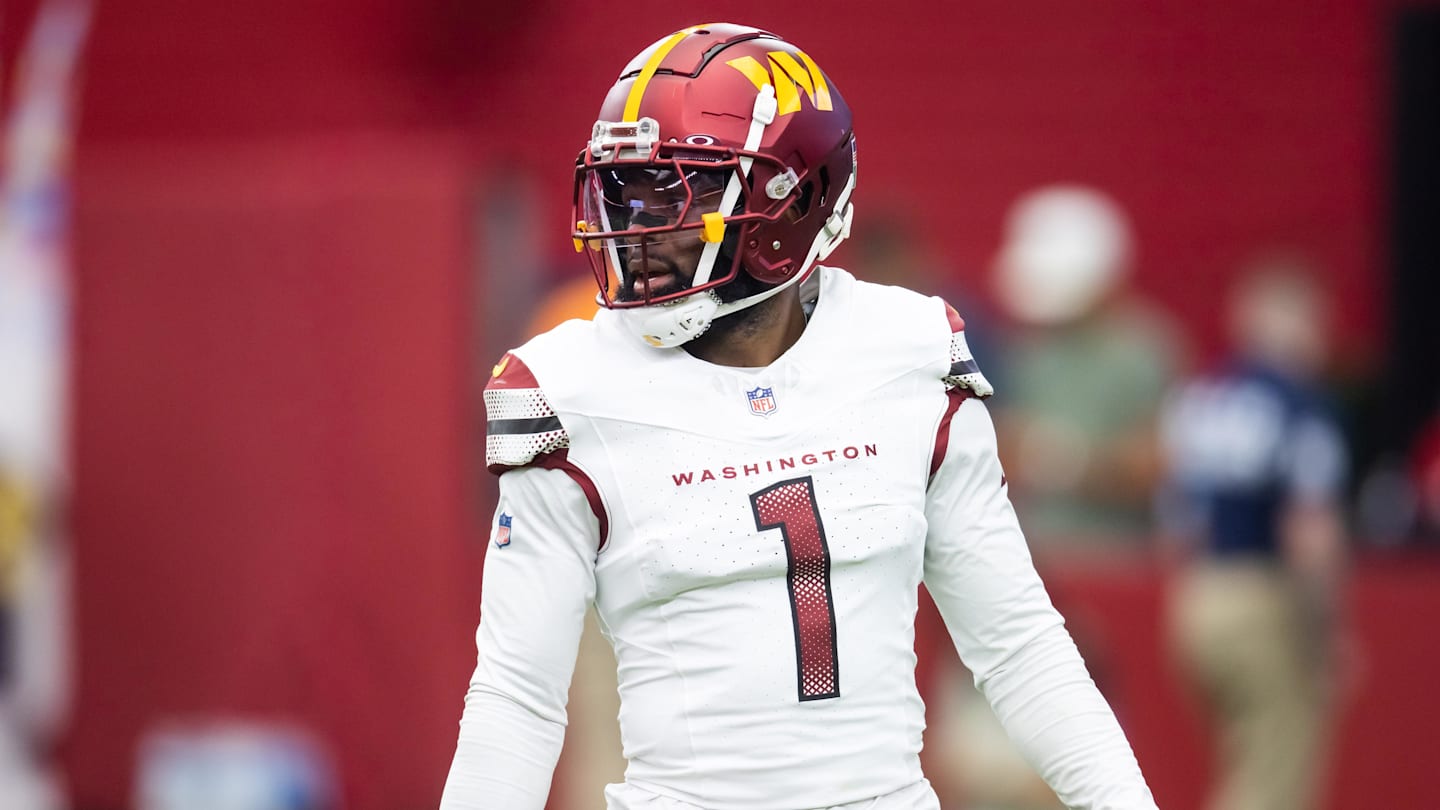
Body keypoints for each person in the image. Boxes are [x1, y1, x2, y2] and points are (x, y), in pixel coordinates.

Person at [441, 23, 1157, 810]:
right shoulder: (569, 387)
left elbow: (1018, 647)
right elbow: (517, 696)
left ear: (795, 197)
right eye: (627, 187)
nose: (638, 224)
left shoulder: (909, 350)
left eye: (683, 189)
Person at [1157, 255, 1348, 810]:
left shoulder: (1202, 396)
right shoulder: (1299, 403)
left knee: (1243, 770)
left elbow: (1175, 516)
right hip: (1262, 594)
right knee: (1275, 780)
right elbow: (1310, 529)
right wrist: (1326, 629)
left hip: (1197, 597)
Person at [988, 185, 1183, 553]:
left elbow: (1156, 465)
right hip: (1035, 554)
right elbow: (1000, 448)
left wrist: (1066, 462)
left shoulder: (1143, 352)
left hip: (1119, 555)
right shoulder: (1028, 350)